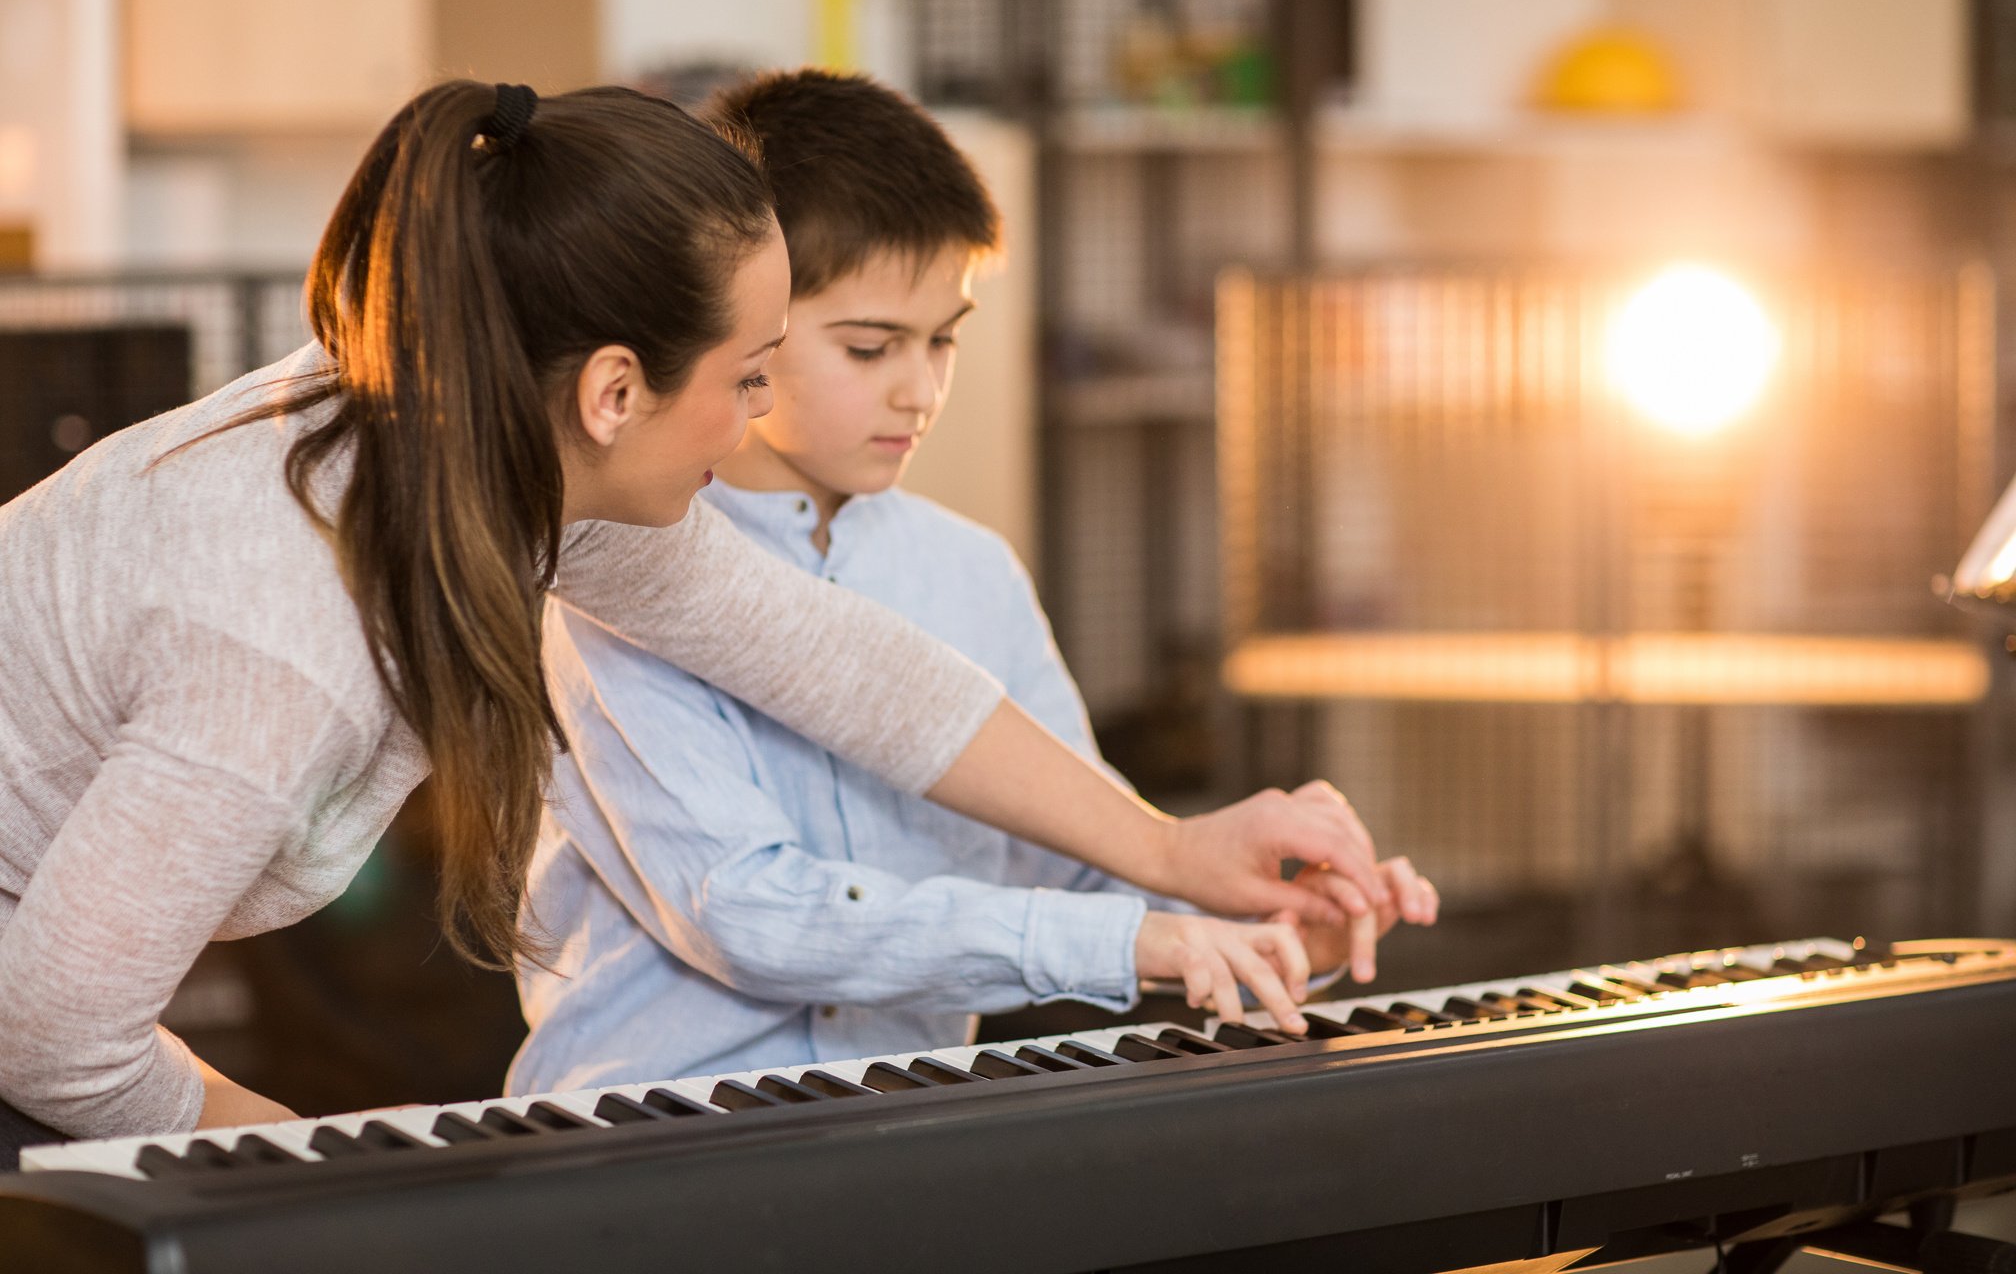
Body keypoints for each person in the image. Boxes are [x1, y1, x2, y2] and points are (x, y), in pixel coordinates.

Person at [0, 81, 1393, 1167]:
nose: (751, 431)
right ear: (614, 393)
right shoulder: (281, 640)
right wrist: (322, 1166)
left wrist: (1173, 849)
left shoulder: (499, 443)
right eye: (745, 379)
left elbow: (842, 667)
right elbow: (59, 1040)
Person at [508, 71, 1438, 1096]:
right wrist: (1136, 938)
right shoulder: (613, 570)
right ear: (748, 324)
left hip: (913, 1138)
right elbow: (747, 913)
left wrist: (1258, 927)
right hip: (646, 1143)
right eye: (870, 346)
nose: (921, 388)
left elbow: (1083, 859)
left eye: (944, 338)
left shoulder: (971, 571)